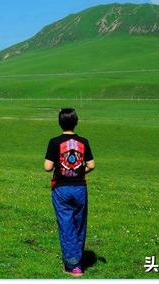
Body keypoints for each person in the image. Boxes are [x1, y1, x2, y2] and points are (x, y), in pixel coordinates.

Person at [43, 108, 95, 277]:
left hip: (61, 188)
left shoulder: (54, 142)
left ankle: (73, 266)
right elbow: (91, 165)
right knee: (79, 224)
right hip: (80, 187)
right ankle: (78, 260)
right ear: (76, 122)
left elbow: (47, 167)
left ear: (60, 123)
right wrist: (79, 172)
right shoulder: (84, 142)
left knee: (66, 225)